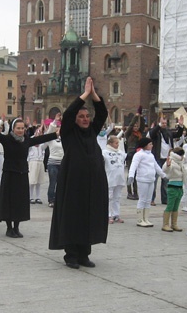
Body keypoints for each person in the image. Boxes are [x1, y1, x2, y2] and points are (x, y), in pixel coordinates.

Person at [49, 77, 109, 269]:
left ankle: (84, 253)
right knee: (73, 217)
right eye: (81, 116)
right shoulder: (68, 132)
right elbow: (68, 114)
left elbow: (103, 112)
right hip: (73, 183)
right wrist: (84, 95)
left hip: (92, 183)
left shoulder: (92, 131)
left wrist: (94, 96)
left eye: (87, 116)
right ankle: (72, 254)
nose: (85, 119)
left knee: (89, 216)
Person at [0, 115, 57, 238]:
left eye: (22, 128)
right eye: (18, 128)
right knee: (9, 202)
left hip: (22, 174)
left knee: (20, 202)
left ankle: (16, 227)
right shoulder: (7, 139)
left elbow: (40, 139)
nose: (20, 130)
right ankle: (9, 228)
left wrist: (56, 134)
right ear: (13, 129)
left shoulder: (27, 140)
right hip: (9, 174)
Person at [128, 137, 166, 227]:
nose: (152, 145)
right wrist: (131, 176)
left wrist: (163, 175)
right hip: (142, 179)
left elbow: (156, 166)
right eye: (150, 144)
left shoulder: (151, 155)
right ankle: (140, 219)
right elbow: (133, 165)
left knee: (148, 200)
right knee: (142, 199)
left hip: (151, 179)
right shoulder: (139, 155)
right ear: (145, 145)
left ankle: (146, 218)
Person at [161, 147, 187, 232]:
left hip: (180, 186)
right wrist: (168, 165)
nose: (183, 156)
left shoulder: (181, 162)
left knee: (176, 206)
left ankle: (174, 223)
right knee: (170, 206)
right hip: (172, 185)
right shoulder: (171, 160)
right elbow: (165, 169)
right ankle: (165, 224)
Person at [103, 135, 126, 223]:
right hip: (110, 178)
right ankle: (108, 215)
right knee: (109, 197)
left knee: (117, 197)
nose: (117, 145)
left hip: (119, 178)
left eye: (118, 143)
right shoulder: (104, 152)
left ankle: (116, 214)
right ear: (110, 143)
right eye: (116, 143)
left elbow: (125, 158)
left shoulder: (120, 152)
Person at [43, 114, 63, 208]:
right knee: (53, 182)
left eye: (59, 127)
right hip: (52, 163)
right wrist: (55, 121)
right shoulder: (51, 139)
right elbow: (47, 133)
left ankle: (59, 199)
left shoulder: (64, 139)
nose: (58, 128)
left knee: (61, 183)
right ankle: (51, 199)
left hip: (62, 163)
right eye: (57, 127)